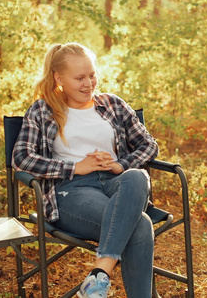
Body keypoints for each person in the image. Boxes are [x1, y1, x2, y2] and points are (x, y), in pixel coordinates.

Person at [12, 43, 158, 298]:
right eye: (79, 78)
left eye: (91, 75)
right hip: (72, 192)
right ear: (59, 78)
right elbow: (22, 158)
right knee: (141, 225)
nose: (88, 83)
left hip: (118, 184)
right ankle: (104, 279)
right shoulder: (43, 110)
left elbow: (149, 146)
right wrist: (75, 167)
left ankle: (99, 273)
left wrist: (119, 165)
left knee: (136, 176)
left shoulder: (113, 104)